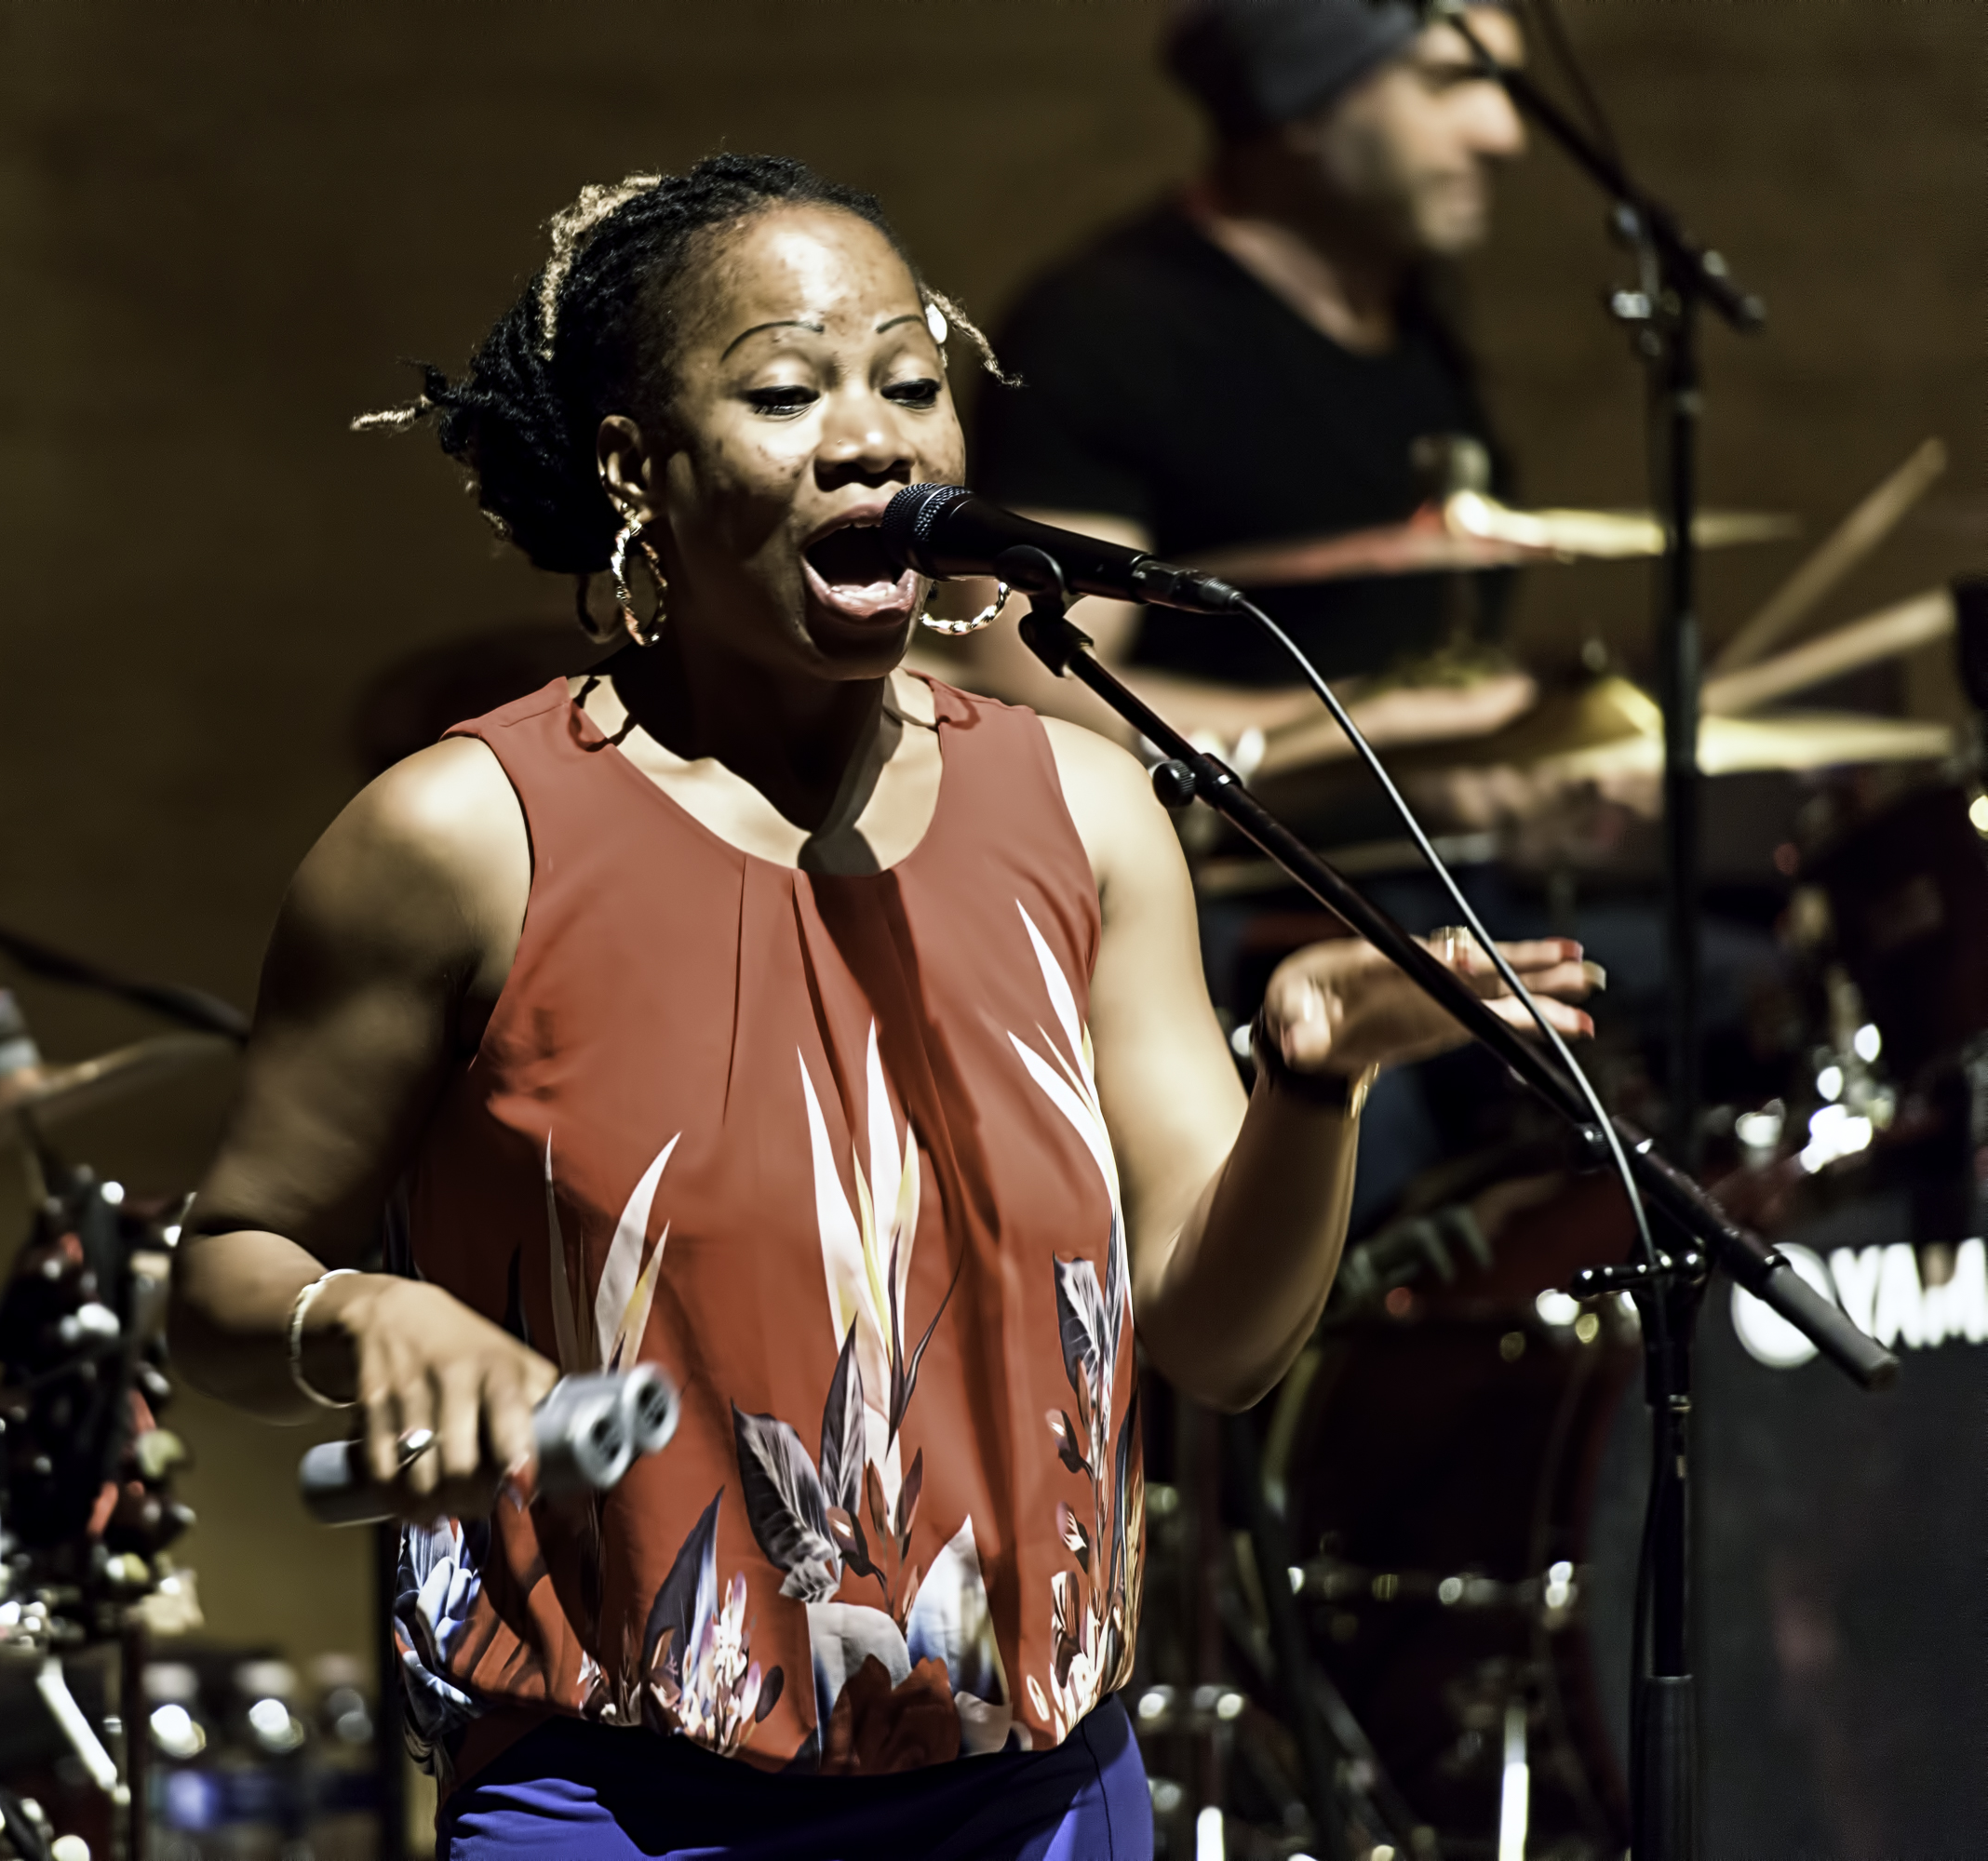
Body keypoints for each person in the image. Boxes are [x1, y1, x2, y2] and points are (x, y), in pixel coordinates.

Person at [168, 154, 1593, 1860]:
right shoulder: (464, 840)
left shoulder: (1082, 808)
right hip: (632, 1814)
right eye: (785, 391)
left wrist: (1307, 1084)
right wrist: (351, 1319)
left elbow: (1217, 1344)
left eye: (912, 384)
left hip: (1048, 1803)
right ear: (638, 464)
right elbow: (222, 1278)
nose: (874, 437)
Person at [953, 0, 1532, 766]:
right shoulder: (1105, 330)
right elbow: (1033, 693)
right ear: (1299, 105)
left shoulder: (1419, 316)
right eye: (1448, 80)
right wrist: (1373, 731)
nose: (1505, 133)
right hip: (1220, 875)